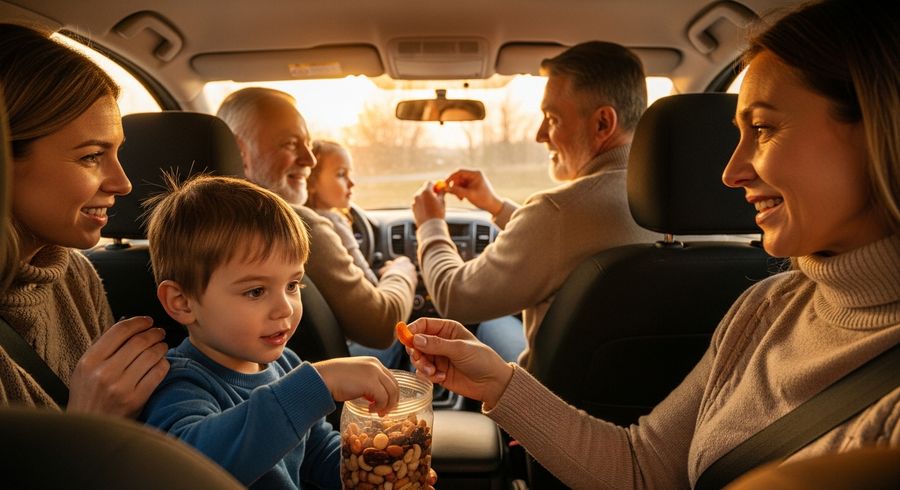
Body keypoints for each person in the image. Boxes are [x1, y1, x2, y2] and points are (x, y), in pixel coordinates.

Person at [405, 1, 900, 488]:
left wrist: (430, 226)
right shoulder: (764, 307)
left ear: (882, 129)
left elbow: (458, 295)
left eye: (764, 129)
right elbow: (645, 467)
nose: (730, 173)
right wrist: (498, 381)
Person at [140, 174, 401, 488]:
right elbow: (193, 468)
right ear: (182, 302)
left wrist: (373, 472)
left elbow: (316, 452)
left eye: (292, 285)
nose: (286, 308)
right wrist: (320, 383)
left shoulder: (285, 364)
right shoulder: (178, 384)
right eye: (255, 292)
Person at [411, 41, 659, 367]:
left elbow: (454, 298)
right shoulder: (683, 208)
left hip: (545, 412)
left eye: (552, 118)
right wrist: (498, 208)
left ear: (602, 124)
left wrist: (430, 225)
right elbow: (572, 241)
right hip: (665, 409)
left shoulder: (558, 212)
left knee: (489, 323)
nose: (540, 135)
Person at [0, 23, 168, 416]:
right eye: (92, 156)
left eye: (116, 152)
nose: (123, 183)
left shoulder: (73, 275)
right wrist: (91, 424)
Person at [216, 88, 418, 357]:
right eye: (289, 143)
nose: (309, 159)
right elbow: (381, 326)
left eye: (308, 145)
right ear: (240, 151)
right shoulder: (294, 223)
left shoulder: (184, 224)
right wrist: (402, 271)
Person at [308, 140, 378, 285]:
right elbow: (368, 280)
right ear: (311, 183)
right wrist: (394, 272)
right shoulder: (334, 222)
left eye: (349, 173)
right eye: (341, 174)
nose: (352, 183)